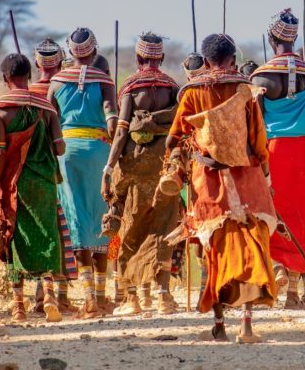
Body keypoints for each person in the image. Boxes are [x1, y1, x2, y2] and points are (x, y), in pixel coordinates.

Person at [164, 33, 278, 343]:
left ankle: (219, 323)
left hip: (207, 178)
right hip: (247, 175)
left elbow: (175, 137)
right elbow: (258, 139)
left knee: (212, 245)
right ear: (231, 58)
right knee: (251, 243)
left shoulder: (191, 91)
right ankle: (247, 325)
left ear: (205, 58)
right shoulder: (244, 88)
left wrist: (178, 162)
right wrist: (265, 175)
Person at [250, 9, 305, 309]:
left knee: (272, 212)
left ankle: (278, 270)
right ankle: (293, 290)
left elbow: (253, 123)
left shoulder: (260, 76)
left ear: (272, 39)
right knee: (301, 216)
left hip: (272, 152)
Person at [102, 33, 182, 316]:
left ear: (138, 58)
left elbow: (122, 130)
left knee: (128, 228)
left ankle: (132, 298)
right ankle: (164, 297)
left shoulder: (131, 87)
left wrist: (109, 167)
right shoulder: (173, 87)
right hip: (163, 168)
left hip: (133, 168)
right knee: (163, 228)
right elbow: (179, 130)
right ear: (160, 58)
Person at [0, 53, 67, 322]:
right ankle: (50, 296)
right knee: (47, 233)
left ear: (5, 78)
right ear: (29, 76)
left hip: (13, 183)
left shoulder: (0, 109)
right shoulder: (46, 106)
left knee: (13, 235)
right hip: (43, 181)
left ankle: (18, 305)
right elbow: (59, 147)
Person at [48, 27, 118, 319]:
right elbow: (112, 119)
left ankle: (88, 299)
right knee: (100, 216)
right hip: (99, 150)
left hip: (67, 153)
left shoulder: (56, 81)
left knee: (75, 217)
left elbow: (49, 119)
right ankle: (102, 298)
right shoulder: (104, 80)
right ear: (94, 49)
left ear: (70, 51)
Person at [28, 38, 79, 314]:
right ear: (60, 62)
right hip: (63, 163)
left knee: (41, 228)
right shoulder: (65, 88)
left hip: (34, 168)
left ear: (38, 64)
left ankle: (40, 296)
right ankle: (59, 296)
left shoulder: (27, 93)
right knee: (64, 227)